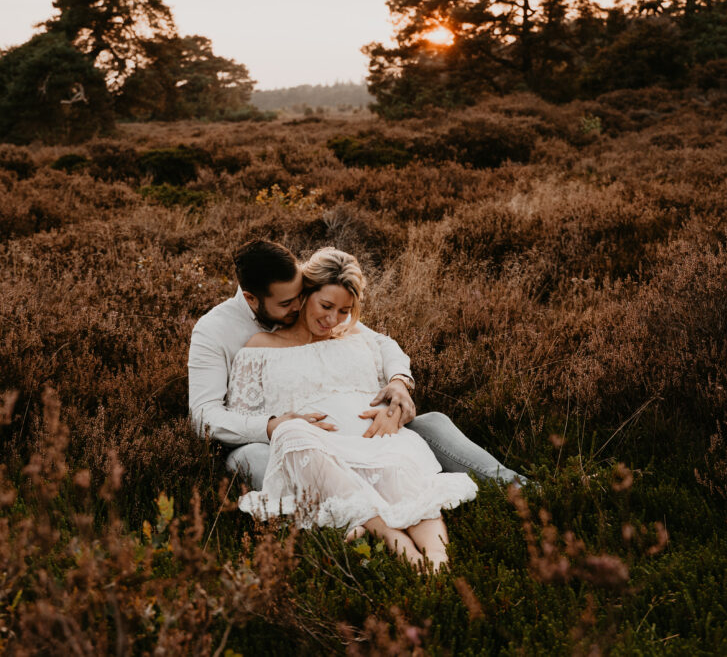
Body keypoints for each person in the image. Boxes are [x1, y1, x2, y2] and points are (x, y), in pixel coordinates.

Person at [187, 240, 524, 490]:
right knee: (250, 458)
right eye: (289, 303)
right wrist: (274, 426)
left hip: (356, 434)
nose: (299, 308)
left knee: (433, 422)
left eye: (303, 296)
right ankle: (332, 526)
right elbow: (203, 415)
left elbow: (378, 342)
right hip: (278, 440)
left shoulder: (315, 311)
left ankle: (517, 488)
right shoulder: (215, 332)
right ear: (252, 299)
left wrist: (397, 382)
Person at [228, 247, 477, 570]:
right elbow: (242, 416)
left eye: (344, 310)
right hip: (315, 448)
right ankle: (393, 538)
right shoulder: (260, 347)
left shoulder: (356, 336)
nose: (332, 319)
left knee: (399, 472)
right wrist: (285, 423)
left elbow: (388, 356)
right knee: (291, 433)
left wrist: (394, 400)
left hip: (372, 436)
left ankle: (437, 561)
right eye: (326, 306)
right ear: (305, 294)